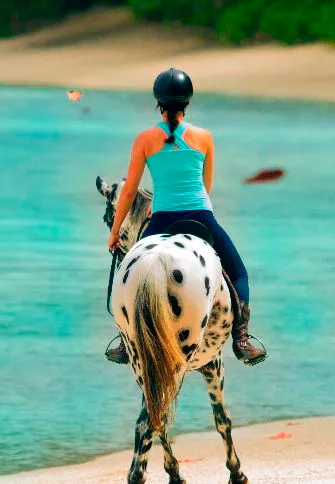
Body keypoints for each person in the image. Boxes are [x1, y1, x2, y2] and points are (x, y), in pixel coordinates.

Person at [105, 67, 266, 366]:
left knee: (129, 269)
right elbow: (206, 185)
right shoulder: (204, 137)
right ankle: (242, 339)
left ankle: (125, 341)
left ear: (158, 102)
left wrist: (115, 232)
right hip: (202, 218)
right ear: (187, 102)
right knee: (239, 272)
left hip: (162, 218)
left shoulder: (144, 139)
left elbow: (127, 193)